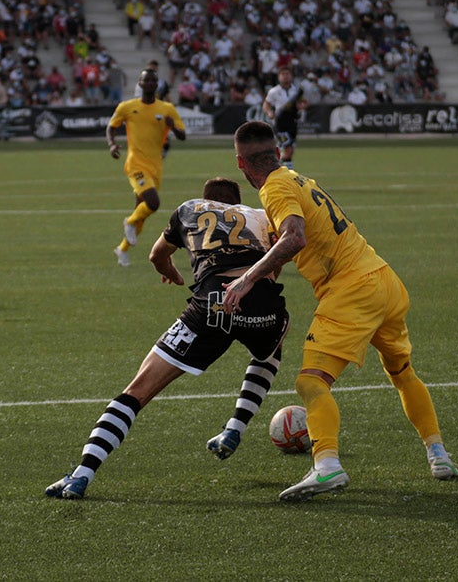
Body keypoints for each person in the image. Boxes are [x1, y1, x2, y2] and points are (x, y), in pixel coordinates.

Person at [222, 121, 458, 501]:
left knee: (311, 382)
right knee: (401, 372)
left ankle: (327, 466)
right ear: (279, 153)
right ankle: (438, 453)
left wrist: (248, 278)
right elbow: (294, 234)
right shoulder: (298, 179)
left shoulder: (275, 187)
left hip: (352, 289)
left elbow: (294, 237)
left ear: (240, 163)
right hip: (384, 280)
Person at [45, 177, 289, 500]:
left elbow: (156, 255)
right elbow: (276, 263)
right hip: (263, 306)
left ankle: (82, 474)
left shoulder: (189, 209)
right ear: (237, 201)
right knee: (271, 349)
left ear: (208, 200)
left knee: (137, 391)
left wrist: (172, 271)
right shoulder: (259, 215)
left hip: (210, 305)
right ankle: (235, 428)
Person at [106, 68, 186, 267]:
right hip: (135, 164)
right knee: (153, 203)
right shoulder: (127, 107)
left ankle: (122, 249)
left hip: (155, 166)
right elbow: (111, 126)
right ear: (140, 84)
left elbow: (183, 135)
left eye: (153, 80)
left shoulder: (167, 108)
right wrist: (112, 144)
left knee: (141, 211)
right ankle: (129, 222)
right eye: (146, 80)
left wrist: (173, 126)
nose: (150, 83)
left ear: (157, 84)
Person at [262, 66, 306, 169]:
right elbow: (266, 104)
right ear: (279, 77)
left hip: (292, 121)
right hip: (280, 123)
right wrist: (269, 112)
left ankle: (275, 167)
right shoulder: (274, 91)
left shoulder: (295, 90)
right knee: (288, 148)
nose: (285, 77)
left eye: (287, 74)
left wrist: (302, 106)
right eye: (283, 74)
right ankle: (288, 173)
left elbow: (302, 102)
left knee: (289, 150)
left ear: (291, 76)